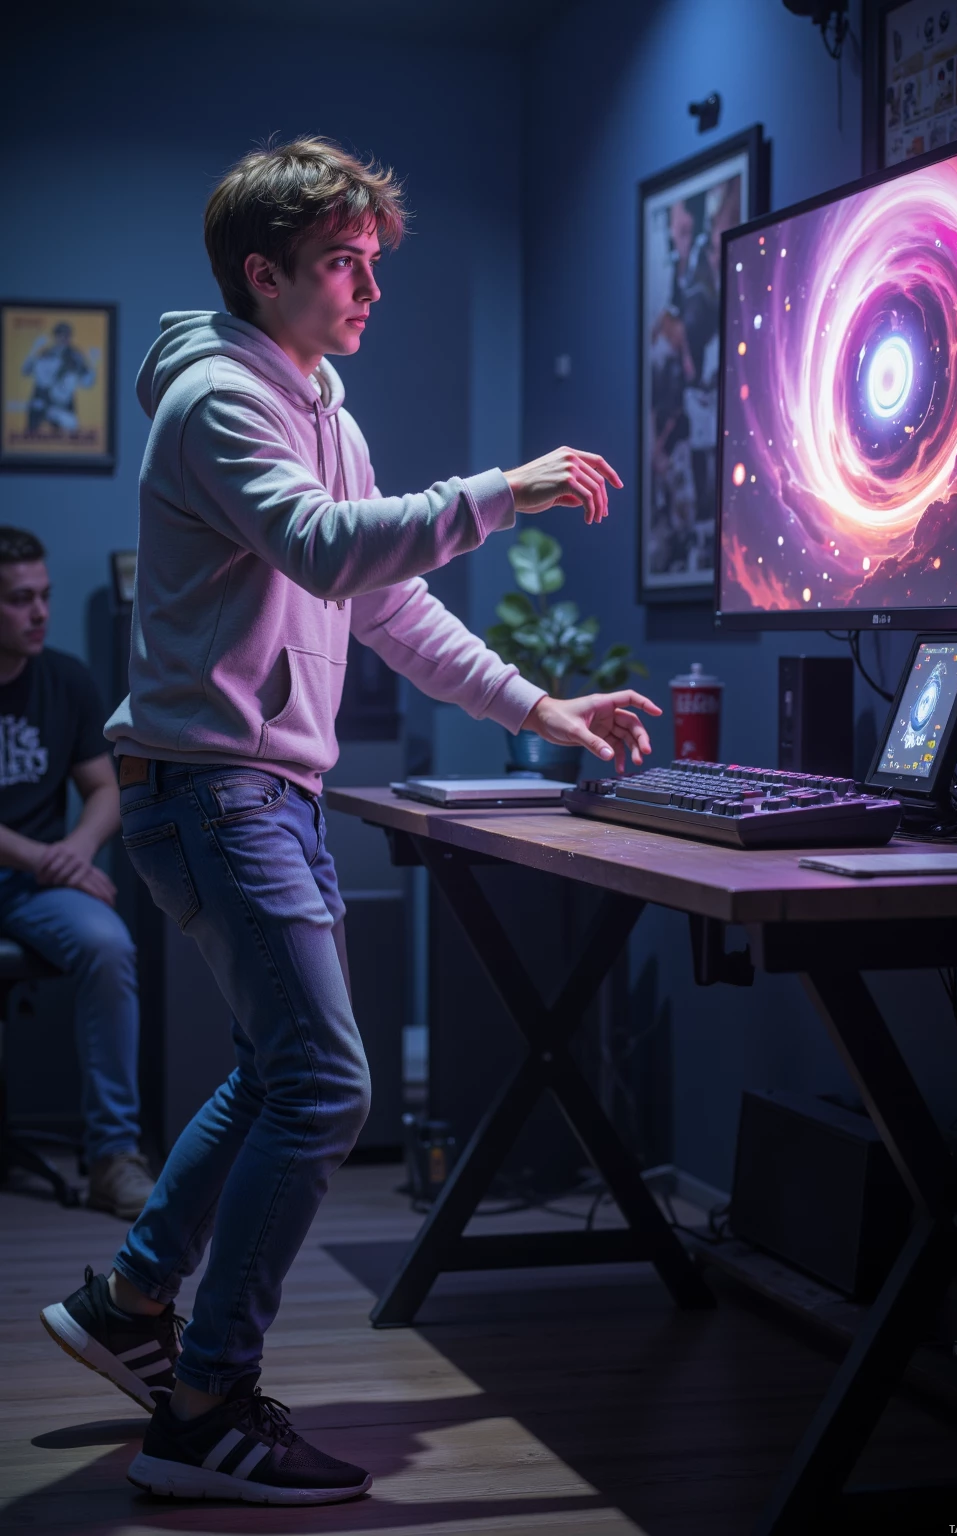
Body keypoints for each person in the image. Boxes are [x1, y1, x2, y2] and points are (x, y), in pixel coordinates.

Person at [40, 137, 660, 1507]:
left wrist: (537, 708)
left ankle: (134, 1303)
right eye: (343, 263)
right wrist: (505, 489)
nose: (370, 286)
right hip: (216, 785)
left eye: (376, 261)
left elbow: (384, 605)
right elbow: (326, 545)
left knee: (280, 1073)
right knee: (326, 1085)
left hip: (257, 784)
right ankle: (202, 1405)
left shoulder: (323, 400)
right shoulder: (217, 401)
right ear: (263, 275)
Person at [0, 527, 154, 1220]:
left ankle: (113, 1157)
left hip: (38, 888)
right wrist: (40, 855)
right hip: (34, 868)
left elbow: (104, 786)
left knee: (109, 945)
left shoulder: (64, 679)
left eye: (44, 597)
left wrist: (80, 846)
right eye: (18, 600)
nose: (38, 613)